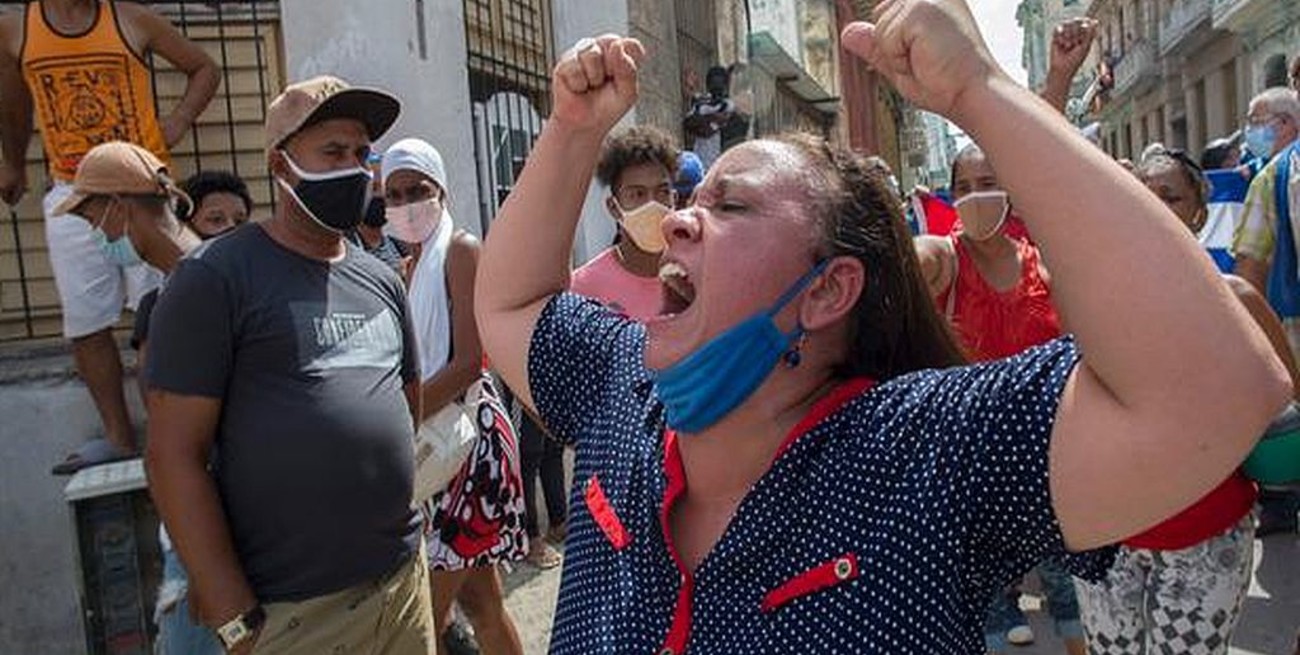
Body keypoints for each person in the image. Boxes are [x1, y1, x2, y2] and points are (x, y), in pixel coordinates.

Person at [473, 2, 1290, 651]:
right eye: (693, 201)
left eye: (730, 205)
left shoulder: (927, 455)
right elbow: (507, 304)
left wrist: (980, 90)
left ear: (828, 291)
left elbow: (1217, 388)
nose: (679, 222)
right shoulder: (621, 387)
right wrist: (571, 131)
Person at [144, 75, 434, 655]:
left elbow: (406, 406)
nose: (354, 169)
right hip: (295, 614)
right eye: (332, 152)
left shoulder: (381, 279)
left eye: (361, 154)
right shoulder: (215, 279)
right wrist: (232, 614)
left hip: (402, 586)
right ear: (281, 167)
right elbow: (173, 456)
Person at [1073, 146, 1300, 655]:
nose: (1152, 207)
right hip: (1109, 541)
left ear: (1199, 212)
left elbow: (1291, 407)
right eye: (1139, 194)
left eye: (1169, 197)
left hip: (1208, 537)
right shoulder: (1088, 306)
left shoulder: (1237, 302)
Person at [0, 0, 218, 473]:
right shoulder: (19, 29)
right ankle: (119, 437)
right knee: (85, 322)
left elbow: (204, 67)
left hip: (142, 189)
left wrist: (177, 121)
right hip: (72, 192)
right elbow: (14, 102)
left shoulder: (131, 19)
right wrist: (13, 161)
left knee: (157, 316)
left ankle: (169, 437)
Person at [52, 141, 218, 654]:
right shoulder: (180, 287)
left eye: (95, 220)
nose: (99, 236)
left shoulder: (203, 286)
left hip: (210, 543)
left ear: (121, 209)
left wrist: (204, 569)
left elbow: (221, 438)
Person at [381, 137, 526, 655]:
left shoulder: (460, 250)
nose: (405, 205)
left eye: (416, 190)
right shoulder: (403, 271)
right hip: (436, 445)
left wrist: (397, 417)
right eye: (393, 196)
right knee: (482, 605)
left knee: (428, 618)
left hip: (467, 443)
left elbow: (470, 362)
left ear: (439, 189)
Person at [1233, 86, 1300, 535]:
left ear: (1286, 123)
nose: (1252, 132)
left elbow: (1249, 269)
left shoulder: (1272, 176)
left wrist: (1253, 342)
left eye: (1258, 122)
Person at [570, 125, 679, 321]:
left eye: (662, 192)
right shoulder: (583, 289)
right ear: (614, 207)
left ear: (675, 200)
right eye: (637, 194)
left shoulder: (698, 278)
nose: (652, 204)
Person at [683, 66, 737, 170]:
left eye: (719, 82)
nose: (716, 85)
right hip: (700, 160)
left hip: (721, 162)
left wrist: (704, 121)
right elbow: (688, 123)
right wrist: (712, 118)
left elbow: (706, 130)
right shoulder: (702, 103)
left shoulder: (729, 105)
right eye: (713, 82)